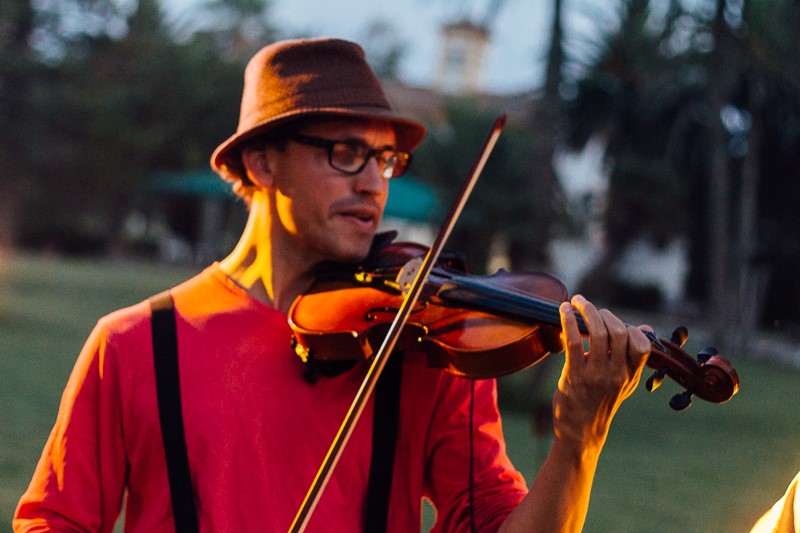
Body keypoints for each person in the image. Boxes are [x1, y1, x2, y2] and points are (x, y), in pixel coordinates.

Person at [14, 37, 651, 532]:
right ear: (262, 161)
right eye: (345, 153)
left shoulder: (425, 348)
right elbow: (54, 521)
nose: (374, 183)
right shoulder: (132, 343)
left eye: (385, 159)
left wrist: (579, 439)